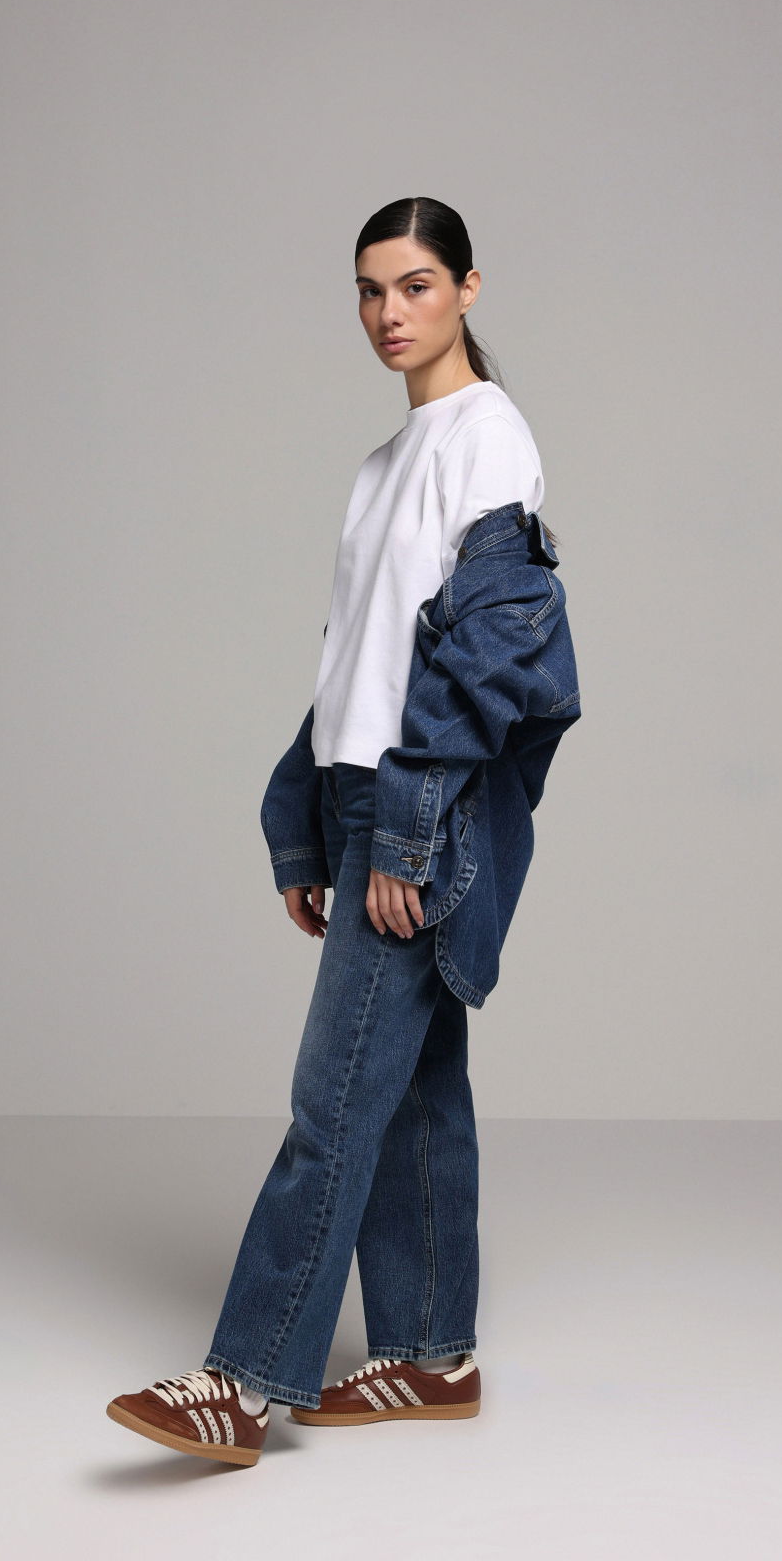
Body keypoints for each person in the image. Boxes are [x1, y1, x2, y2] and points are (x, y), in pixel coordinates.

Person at [106, 197, 581, 1467]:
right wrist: (309, 827)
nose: (388, 313)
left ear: (467, 288)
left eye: (415, 285)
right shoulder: (383, 465)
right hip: (368, 795)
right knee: (412, 1088)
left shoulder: (488, 438)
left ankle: (241, 1380)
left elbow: (493, 652)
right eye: (370, 290)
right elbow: (354, 670)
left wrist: (407, 837)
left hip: (422, 804)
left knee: (333, 1101)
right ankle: (431, 1354)